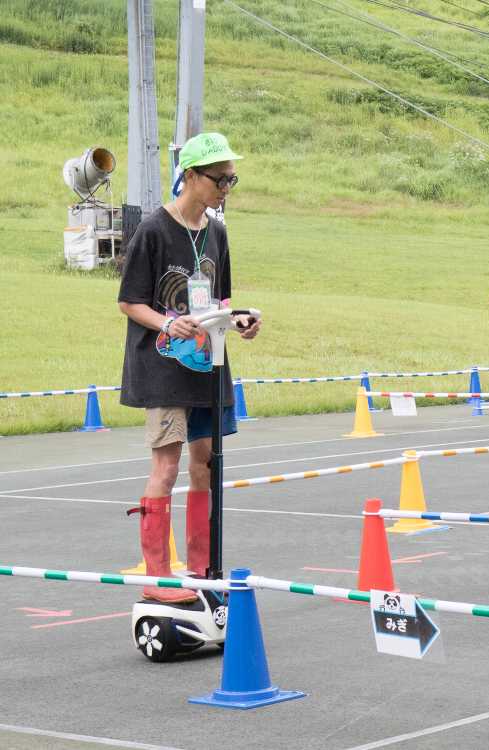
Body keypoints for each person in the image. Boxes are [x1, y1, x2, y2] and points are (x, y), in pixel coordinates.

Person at [117, 132, 261, 603]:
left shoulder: (217, 231)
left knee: (205, 463)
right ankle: (158, 578)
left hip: (210, 365)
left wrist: (237, 320)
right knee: (168, 464)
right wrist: (168, 323)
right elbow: (130, 302)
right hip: (162, 369)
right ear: (192, 176)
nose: (226, 187)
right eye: (220, 179)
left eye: (231, 179)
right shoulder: (154, 230)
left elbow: (221, 297)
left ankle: (202, 568)